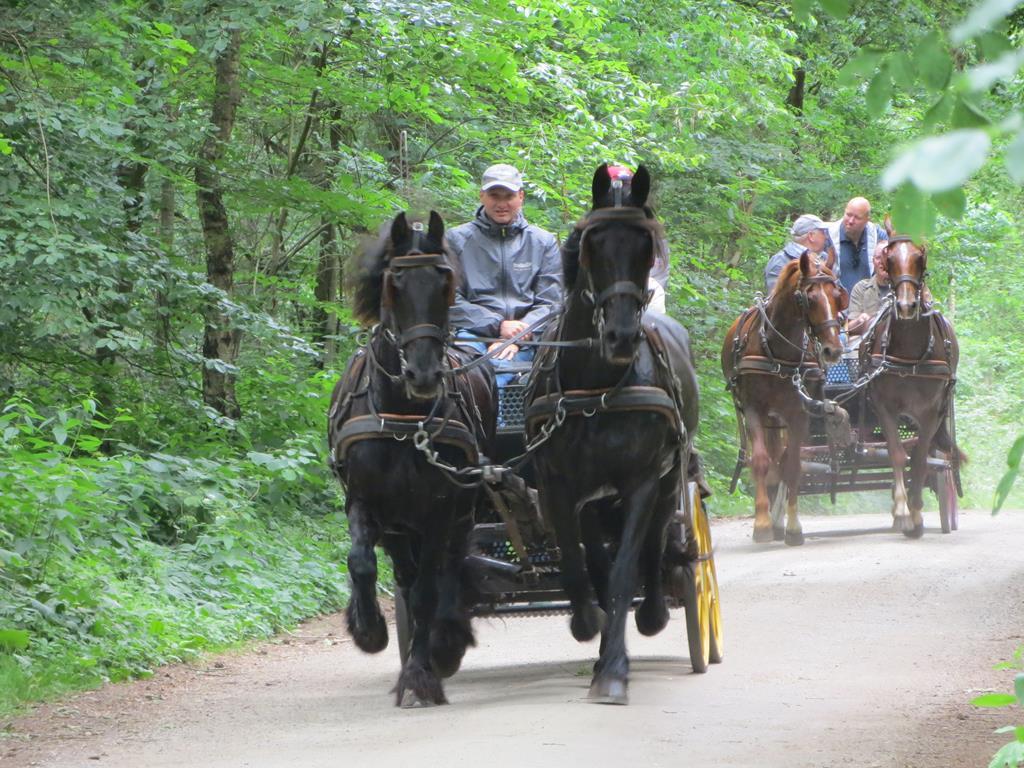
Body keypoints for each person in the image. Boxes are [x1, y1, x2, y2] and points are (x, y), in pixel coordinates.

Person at [606, 165, 670, 314]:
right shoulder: (592, 229)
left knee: (657, 294)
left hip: (641, 289)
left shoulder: (650, 230)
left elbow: (659, 271)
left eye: (628, 185)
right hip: (600, 288)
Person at [826, 197, 889, 294]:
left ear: (867, 220)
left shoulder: (878, 236)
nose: (850, 221)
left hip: (871, 304)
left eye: (857, 218)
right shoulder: (828, 237)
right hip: (840, 305)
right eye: (848, 215)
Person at [764, 213, 830, 294]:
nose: (826, 237)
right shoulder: (780, 261)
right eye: (823, 232)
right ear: (811, 236)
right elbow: (777, 300)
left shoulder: (823, 258)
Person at [846, 242, 891, 336]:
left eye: (887, 258)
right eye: (878, 258)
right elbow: (848, 329)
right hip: (867, 345)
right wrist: (859, 321)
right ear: (873, 261)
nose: (882, 262)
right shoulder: (861, 288)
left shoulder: (904, 290)